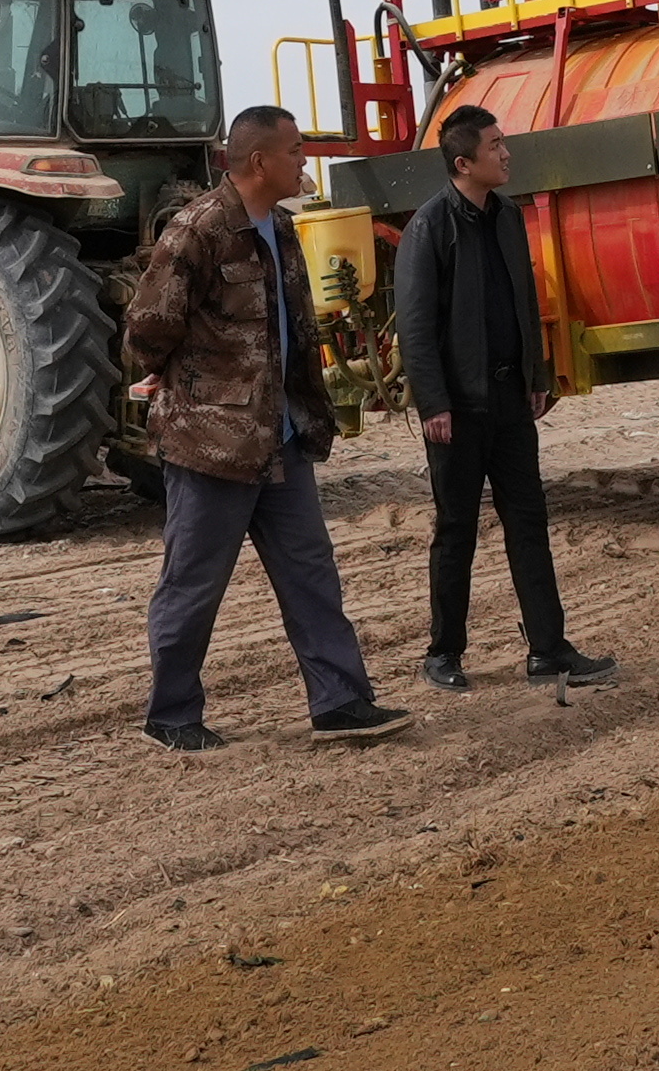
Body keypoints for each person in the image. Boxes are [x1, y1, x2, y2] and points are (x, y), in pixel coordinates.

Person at [124, 105, 413, 750]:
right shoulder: (197, 231)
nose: (304, 161)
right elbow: (146, 329)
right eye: (295, 151)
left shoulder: (280, 227)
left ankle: (341, 703)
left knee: (312, 575)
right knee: (193, 585)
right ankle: (171, 716)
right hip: (211, 445)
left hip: (281, 438)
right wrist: (186, 384)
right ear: (259, 162)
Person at [389, 106, 614, 693]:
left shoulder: (509, 216)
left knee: (528, 522)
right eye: (495, 145)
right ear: (464, 163)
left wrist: (537, 375)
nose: (506, 153)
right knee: (456, 529)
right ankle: (443, 653)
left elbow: (525, 303)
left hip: (511, 402)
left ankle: (549, 651)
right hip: (457, 411)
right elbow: (415, 326)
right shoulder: (429, 227)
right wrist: (434, 403)